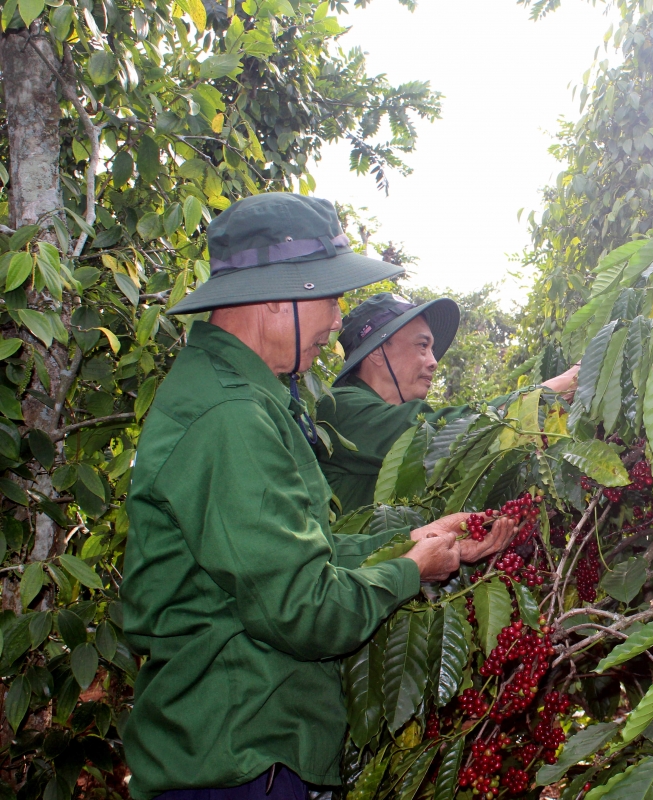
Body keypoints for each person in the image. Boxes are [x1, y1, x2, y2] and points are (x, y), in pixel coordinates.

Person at [120, 193, 517, 800]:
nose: (337, 322)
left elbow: (307, 551)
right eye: (330, 297)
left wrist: (415, 542)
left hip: (250, 753)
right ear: (278, 295)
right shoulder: (230, 415)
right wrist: (410, 571)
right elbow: (305, 608)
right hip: (238, 760)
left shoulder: (244, 395)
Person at [315, 292, 578, 513]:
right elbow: (442, 433)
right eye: (422, 345)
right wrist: (555, 386)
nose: (433, 361)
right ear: (377, 352)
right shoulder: (338, 408)